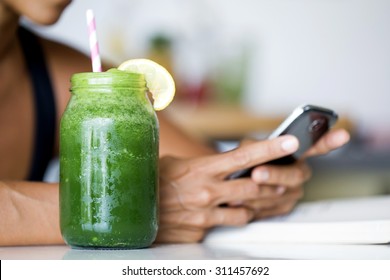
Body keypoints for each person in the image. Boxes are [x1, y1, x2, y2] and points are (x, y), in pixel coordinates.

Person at [0, 0, 350, 246]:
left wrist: (247, 179)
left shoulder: (63, 72)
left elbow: (203, 180)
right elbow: (172, 197)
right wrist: (136, 208)